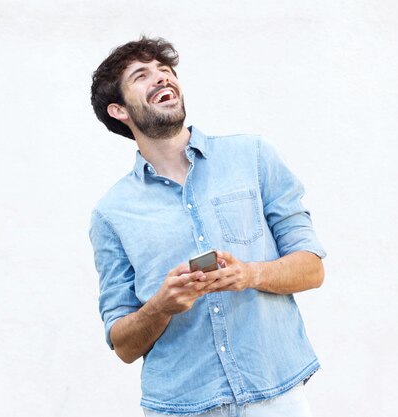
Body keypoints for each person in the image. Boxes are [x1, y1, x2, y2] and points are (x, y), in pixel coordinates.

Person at [88, 36, 326, 417]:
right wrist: (161, 307)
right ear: (119, 110)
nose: (162, 79)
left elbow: (313, 268)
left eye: (166, 72)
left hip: (276, 395)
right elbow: (124, 346)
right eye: (142, 76)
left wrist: (249, 274)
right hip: (182, 406)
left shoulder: (254, 156)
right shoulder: (111, 213)